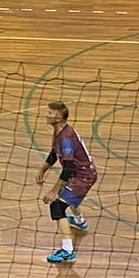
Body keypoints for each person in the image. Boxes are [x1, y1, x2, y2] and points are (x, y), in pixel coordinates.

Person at [36, 100, 98, 263]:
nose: (46, 115)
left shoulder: (66, 138)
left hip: (82, 176)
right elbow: (55, 152)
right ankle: (79, 222)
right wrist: (44, 168)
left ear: (58, 117)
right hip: (79, 174)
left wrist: (53, 191)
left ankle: (68, 251)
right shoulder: (60, 132)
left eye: (49, 113)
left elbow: (68, 169)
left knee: (57, 206)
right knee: (67, 197)